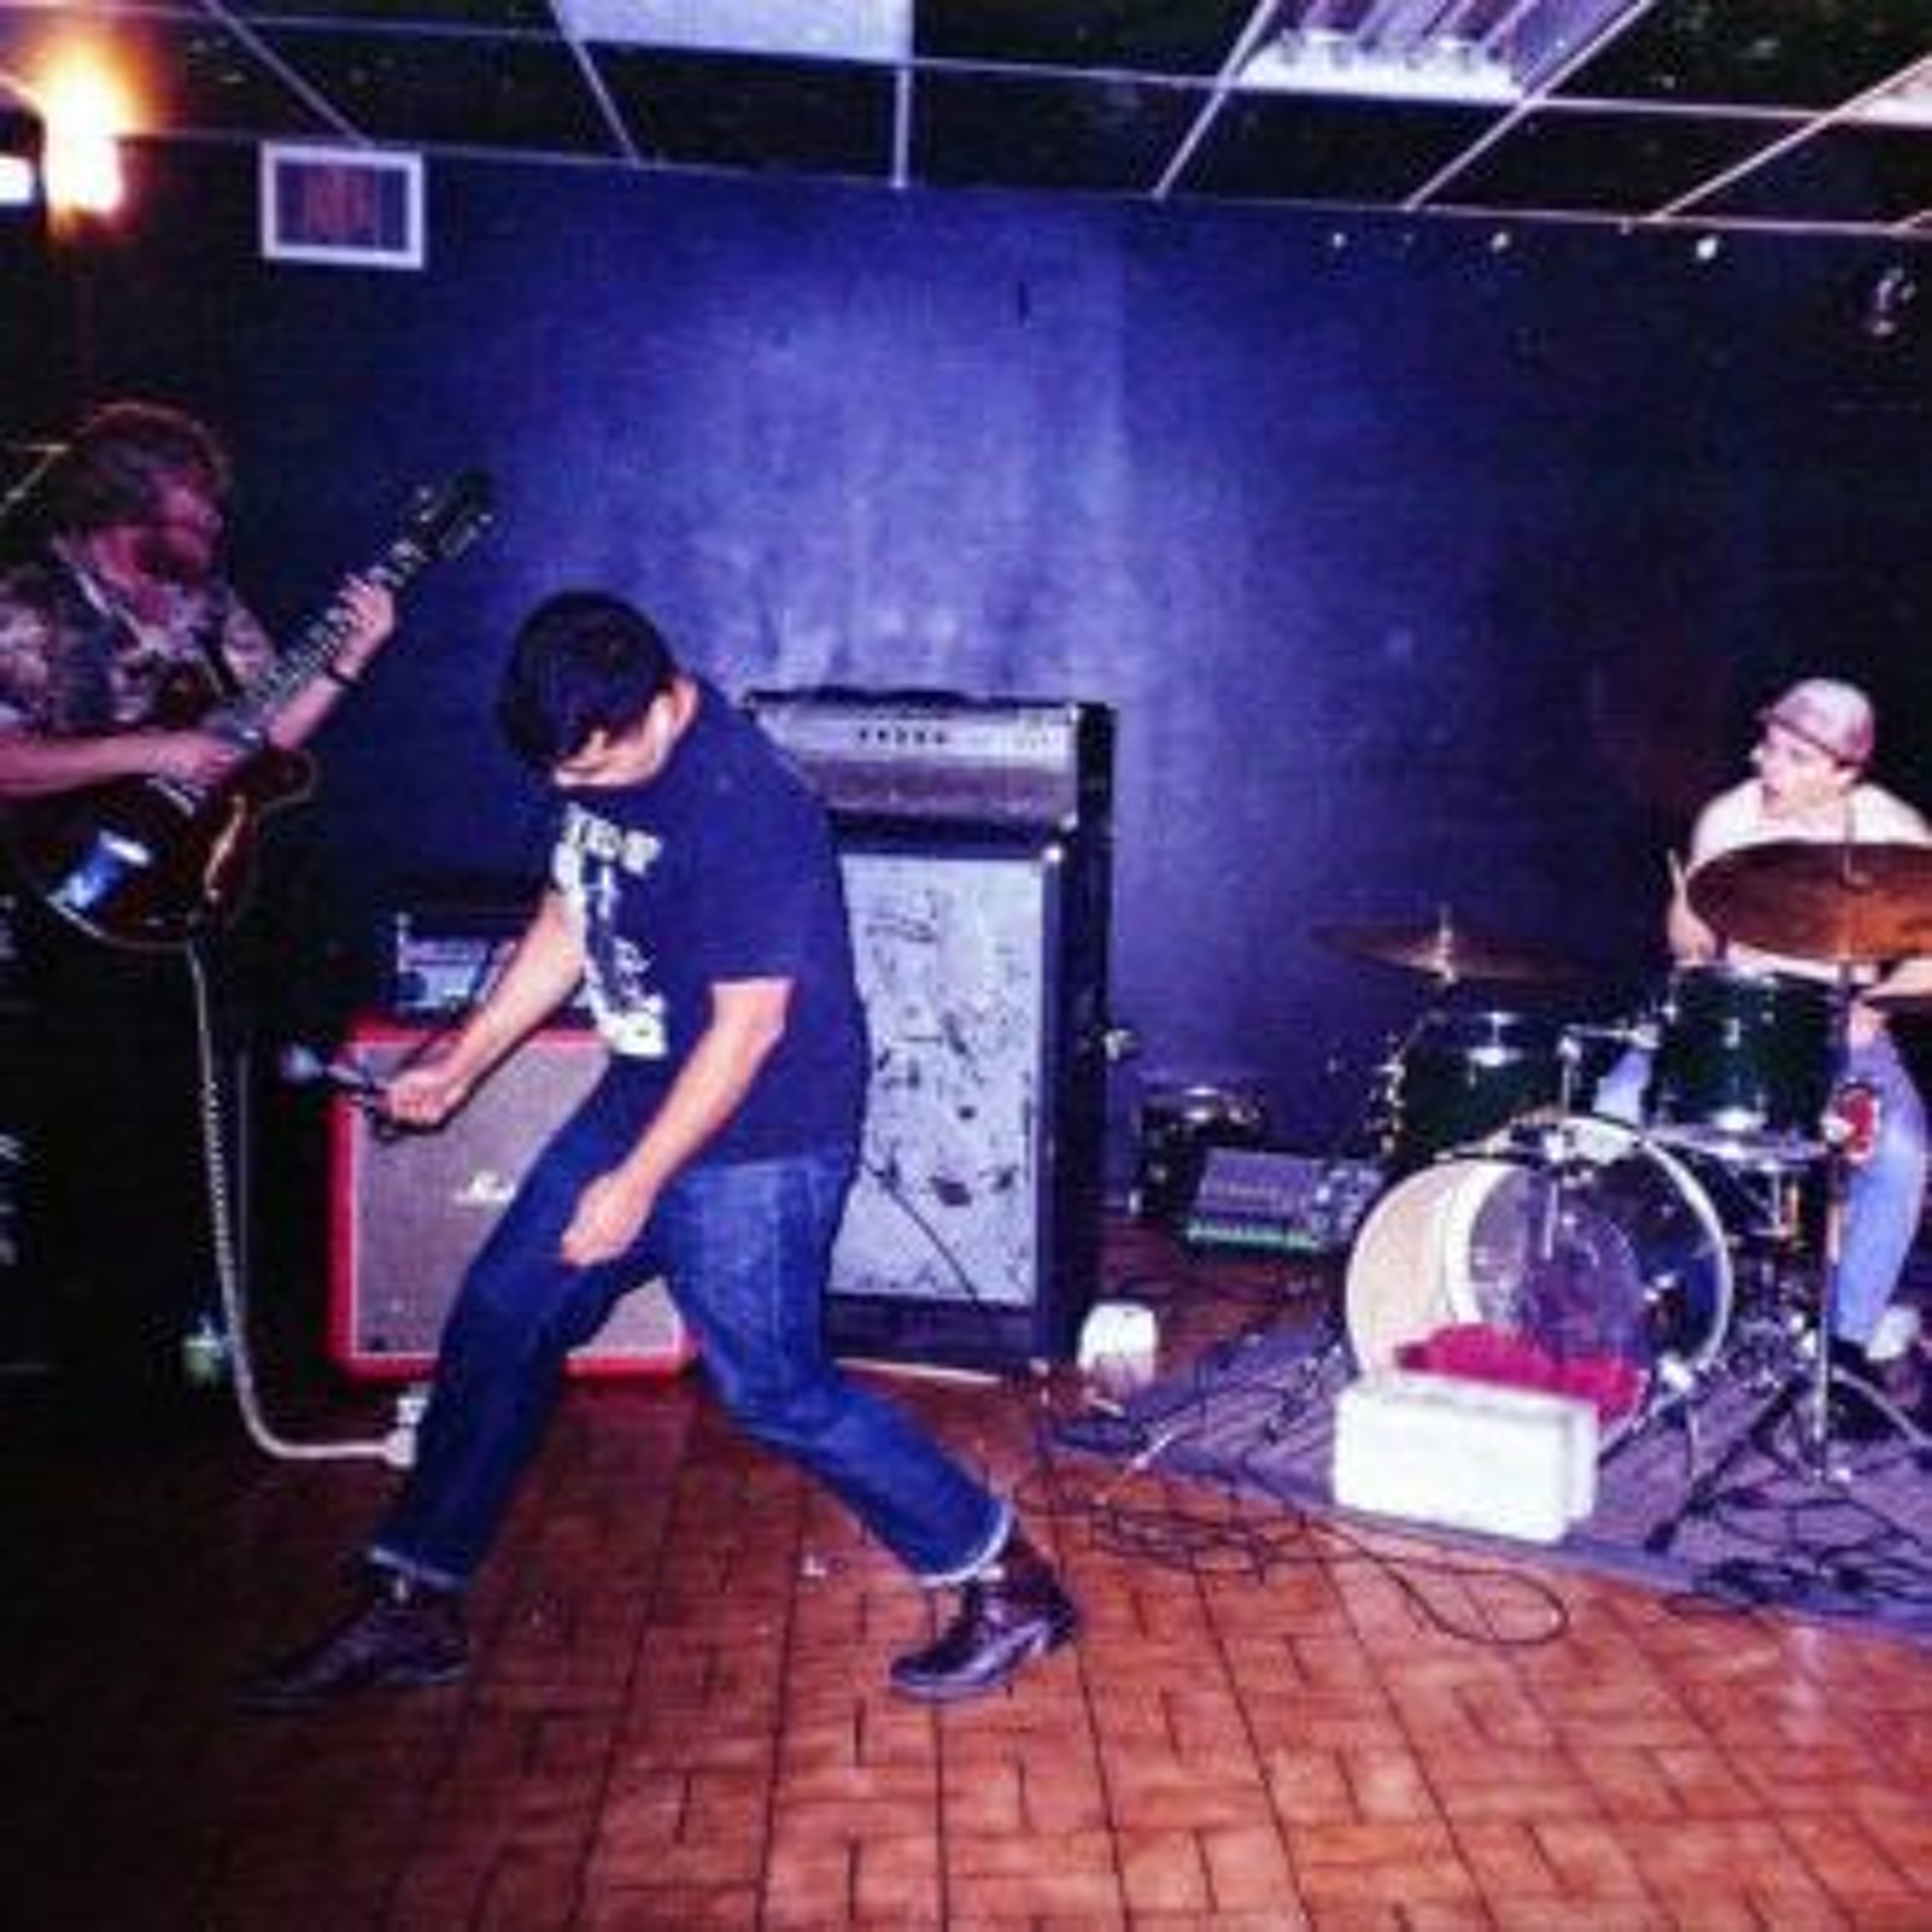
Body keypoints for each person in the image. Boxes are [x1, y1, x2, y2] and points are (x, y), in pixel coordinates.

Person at [243, 591, 1077, 1710]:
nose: (570, 787)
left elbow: (748, 1033)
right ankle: (416, 1600)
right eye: (558, 774)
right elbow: (568, 915)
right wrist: (463, 1061)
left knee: (772, 1389)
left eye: (589, 767)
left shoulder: (746, 808)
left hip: (760, 1137)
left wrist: (635, 1188)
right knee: (503, 1317)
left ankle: (1010, 1581)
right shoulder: (593, 755)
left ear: (656, 707)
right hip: (642, 1097)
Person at [0, 399, 395, 1406]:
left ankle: (214, 1350)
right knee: (103, 1136)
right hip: (71, 896)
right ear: (128, 503)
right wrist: (153, 750)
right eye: (196, 508)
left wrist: (350, 655)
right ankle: (104, 1376)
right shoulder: (31, 603)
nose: (215, 526)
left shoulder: (207, 605)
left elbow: (270, 735)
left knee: (207, 1123)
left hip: (192, 898)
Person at [1597, 677, 1932, 1432]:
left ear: (1843, 774)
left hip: (1842, 1016)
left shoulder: (1894, 832)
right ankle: (1640, 1316)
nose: (1764, 762)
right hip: (1731, 1009)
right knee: (1614, 1113)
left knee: (1903, 1152)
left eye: (1791, 755)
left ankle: (1845, 1350)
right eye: (1767, 745)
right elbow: (1691, 948)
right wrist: (1686, 923)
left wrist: (1875, 1009)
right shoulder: (1729, 817)